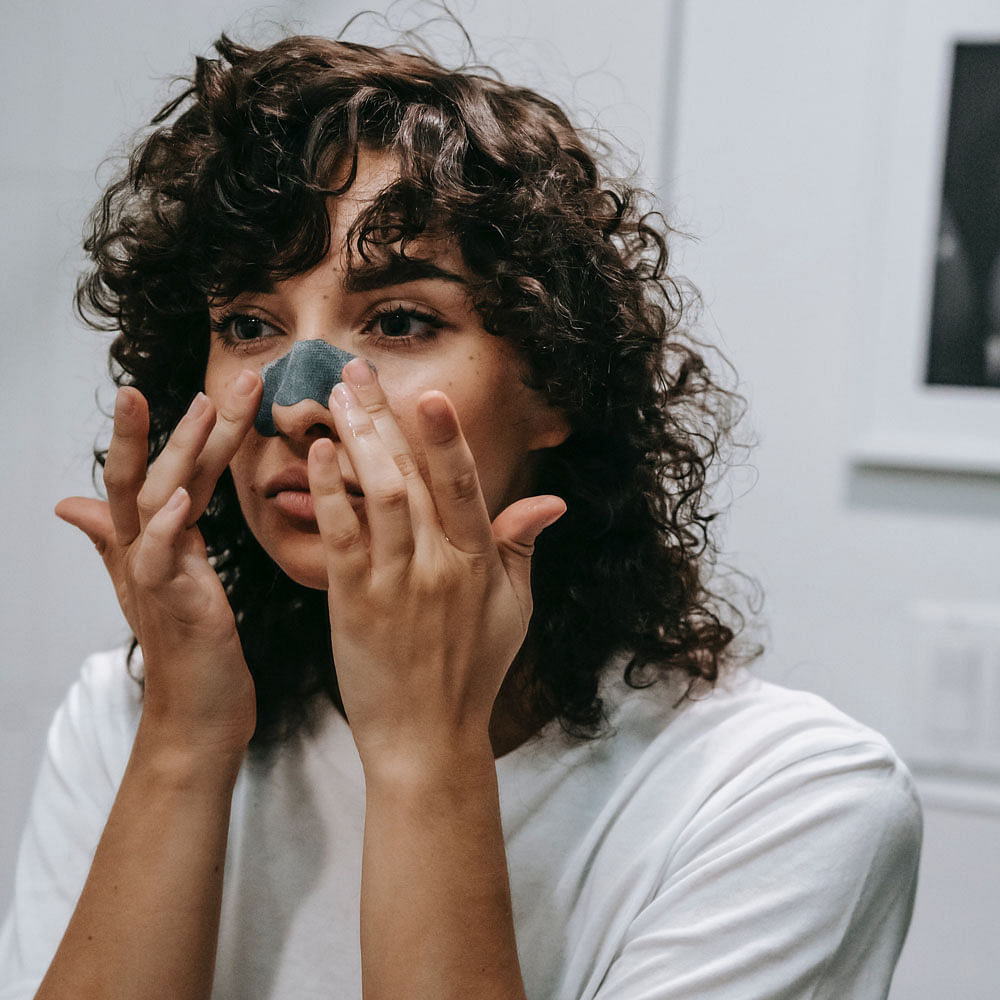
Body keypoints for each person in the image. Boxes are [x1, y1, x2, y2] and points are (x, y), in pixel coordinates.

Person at [0, 33, 921, 1000]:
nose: (296, 400)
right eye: (248, 326)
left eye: (400, 321)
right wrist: (184, 739)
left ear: (555, 384)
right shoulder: (132, 713)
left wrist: (425, 752)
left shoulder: (782, 800)